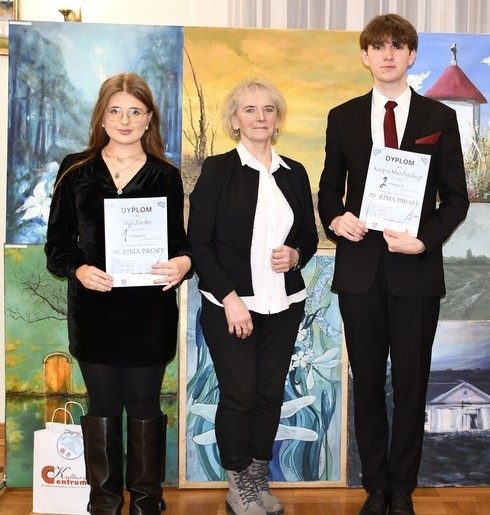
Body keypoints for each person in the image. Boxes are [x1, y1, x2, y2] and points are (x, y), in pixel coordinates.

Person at [317, 14, 469, 515]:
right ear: (365, 56)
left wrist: (424, 241)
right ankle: (375, 486)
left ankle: (402, 488)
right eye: (378, 46)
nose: (387, 54)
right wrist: (336, 219)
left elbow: (456, 199)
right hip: (359, 273)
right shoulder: (342, 116)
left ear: (410, 55)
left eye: (397, 46)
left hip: (416, 274)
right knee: (366, 383)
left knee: (410, 384)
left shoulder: (437, 118)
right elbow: (328, 191)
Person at [45, 72, 192, 515]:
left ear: (149, 119)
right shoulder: (75, 169)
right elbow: (57, 245)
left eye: (134, 111)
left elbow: (180, 243)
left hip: (150, 312)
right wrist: (79, 269)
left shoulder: (166, 175)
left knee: (145, 404)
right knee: (103, 404)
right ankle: (104, 503)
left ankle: (147, 502)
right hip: (94, 311)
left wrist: (184, 263)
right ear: (102, 117)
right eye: (115, 111)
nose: (125, 120)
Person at [187, 79, 318, 515]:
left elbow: (308, 237)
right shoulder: (218, 169)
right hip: (231, 307)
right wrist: (230, 297)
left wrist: (296, 254)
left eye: (268, 109)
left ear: (277, 120)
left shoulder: (295, 172)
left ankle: (258, 478)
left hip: (284, 305)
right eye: (249, 110)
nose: (260, 117)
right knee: (239, 396)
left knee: (269, 395)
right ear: (234, 121)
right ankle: (237, 484)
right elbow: (199, 242)